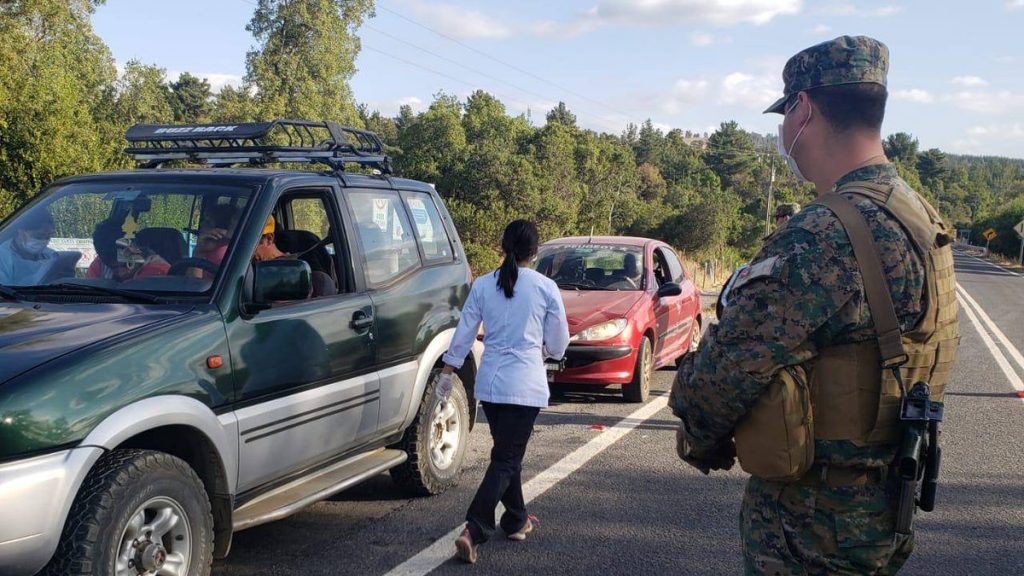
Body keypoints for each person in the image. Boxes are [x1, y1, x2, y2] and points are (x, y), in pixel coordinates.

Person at [670, 35, 959, 575]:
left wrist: (700, 433)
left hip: (811, 525)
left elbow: (721, 375)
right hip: (880, 508)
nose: (784, 131)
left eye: (785, 114)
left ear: (803, 108)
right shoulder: (919, 216)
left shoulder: (826, 233)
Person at [439, 219, 569, 564]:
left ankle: (516, 520)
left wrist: (449, 369)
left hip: (492, 385)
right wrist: (545, 351)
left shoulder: (482, 285)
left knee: (507, 456)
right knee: (507, 458)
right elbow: (558, 344)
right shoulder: (545, 287)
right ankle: (475, 528)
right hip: (525, 385)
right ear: (535, 251)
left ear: (503, 246)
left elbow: (465, 330)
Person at [0, 209, 57, 286]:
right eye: (39, 236)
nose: (44, 241)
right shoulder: (3, 257)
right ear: (20, 230)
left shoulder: (51, 255)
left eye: (48, 237)